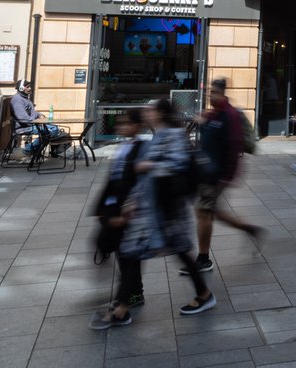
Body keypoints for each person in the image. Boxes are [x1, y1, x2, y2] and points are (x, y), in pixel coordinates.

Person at [91, 99, 214, 329]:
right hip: (154, 208)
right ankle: (125, 306)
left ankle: (123, 308)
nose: (146, 113)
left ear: (159, 114)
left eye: (150, 110)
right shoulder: (159, 135)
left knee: (138, 251)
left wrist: (147, 167)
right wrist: (134, 200)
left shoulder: (173, 135)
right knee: (150, 252)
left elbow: (177, 165)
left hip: (167, 209)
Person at [183, 78, 264, 276]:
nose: (210, 96)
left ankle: (203, 259)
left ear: (222, 93)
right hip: (207, 171)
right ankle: (250, 229)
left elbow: (234, 145)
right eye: (209, 93)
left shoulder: (229, 115)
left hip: (216, 174)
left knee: (203, 212)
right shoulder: (213, 114)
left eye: (213, 93)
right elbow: (210, 140)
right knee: (211, 212)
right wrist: (203, 123)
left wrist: (226, 177)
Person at [93, 108, 146, 309]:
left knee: (128, 254)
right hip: (115, 207)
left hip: (128, 211)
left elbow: (139, 182)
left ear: (137, 126)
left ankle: (130, 296)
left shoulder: (141, 148)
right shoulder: (123, 146)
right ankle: (130, 293)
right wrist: (101, 206)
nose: (121, 127)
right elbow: (113, 178)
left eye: (126, 123)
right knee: (117, 250)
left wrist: (130, 208)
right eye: (121, 123)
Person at [9, 79, 63, 156]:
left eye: (29, 87)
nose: (30, 88)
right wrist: (38, 121)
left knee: (53, 128)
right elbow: (23, 118)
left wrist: (39, 115)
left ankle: (36, 150)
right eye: (27, 87)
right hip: (23, 127)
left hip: (30, 124)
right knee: (52, 129)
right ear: (21, 88)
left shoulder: (25, 98)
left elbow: (32, 112)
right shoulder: (18, 100)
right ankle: (29, 149)